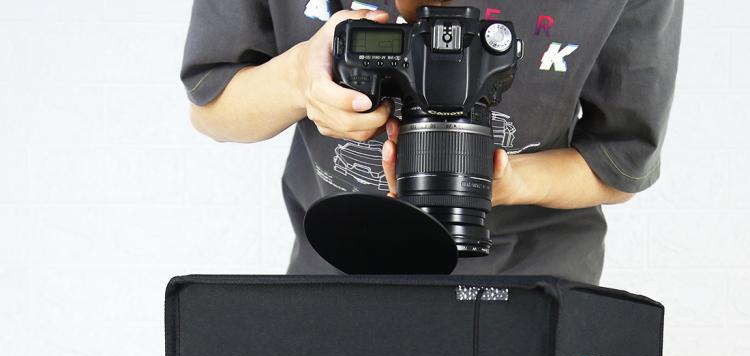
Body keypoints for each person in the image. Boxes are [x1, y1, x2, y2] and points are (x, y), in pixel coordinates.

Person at [181, 0, 683, 282]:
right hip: (338, 276)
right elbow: (212, 108)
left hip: (529, 286)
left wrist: (507, 180)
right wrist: (299, 81)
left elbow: (621, 162)